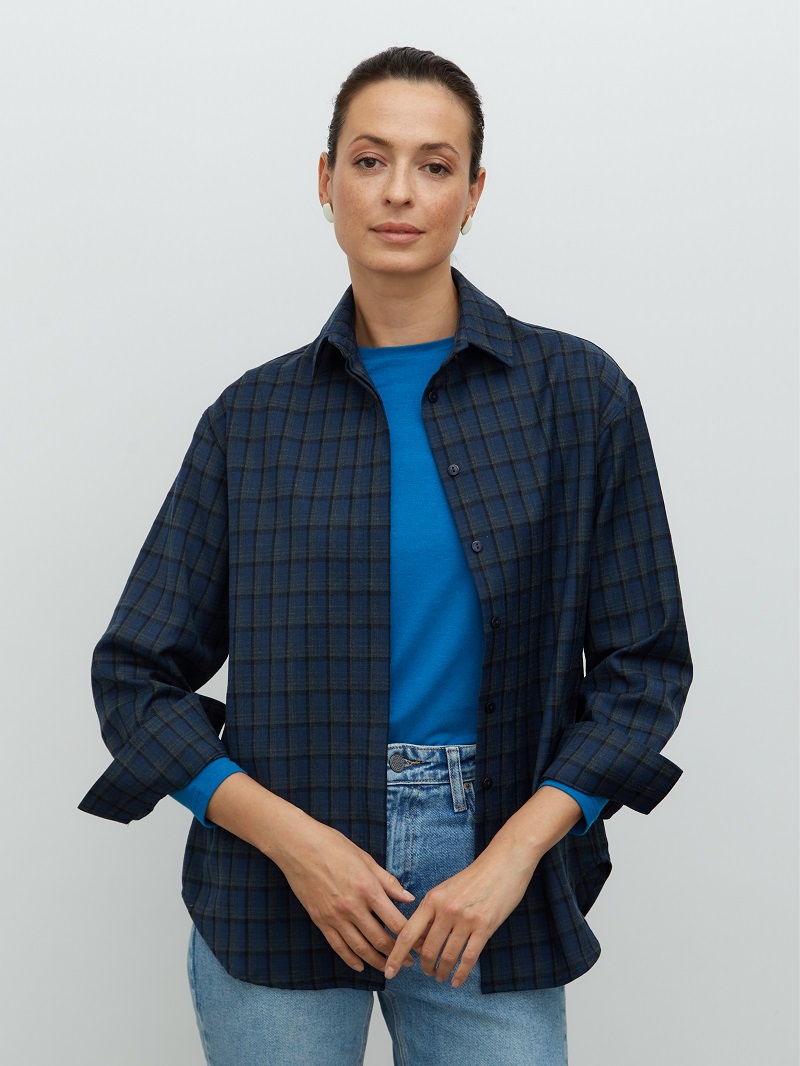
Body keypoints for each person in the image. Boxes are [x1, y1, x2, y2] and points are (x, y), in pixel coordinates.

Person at [79, 46, 692, 1066]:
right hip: (279, 872)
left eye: (434, 165)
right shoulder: (251, 420)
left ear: (473, 192)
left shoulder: (577, 397)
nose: (399, 191)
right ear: (325, 182)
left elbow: (642, 671)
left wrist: (510, 858)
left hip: (493, 880)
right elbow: (134, 677)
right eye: (369, 160)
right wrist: (296, 844)